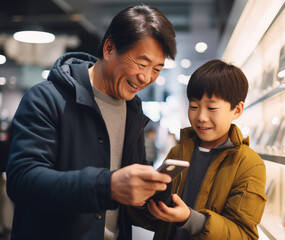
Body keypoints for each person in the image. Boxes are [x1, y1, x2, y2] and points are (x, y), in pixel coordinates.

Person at [5, 4, 176, 240]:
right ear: (109, 48)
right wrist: (107, 186)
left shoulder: (133, 110)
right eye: (141, 63)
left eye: (156, 69)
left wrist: (155, 196)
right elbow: (23, 181)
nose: (146, 77)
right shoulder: (46, 98)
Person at [131, 59, 267, 239]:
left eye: (212, 108)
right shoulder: (177, 153)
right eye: (194, 107)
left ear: (237, 110)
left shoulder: (249, 164)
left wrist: (191, 219)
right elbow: (155, 220)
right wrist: (143, 203)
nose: (201, 117)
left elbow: (244, 234)